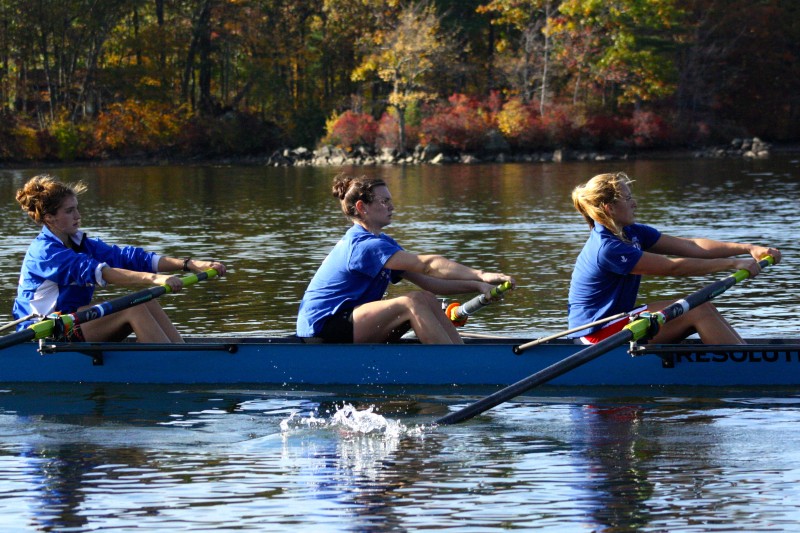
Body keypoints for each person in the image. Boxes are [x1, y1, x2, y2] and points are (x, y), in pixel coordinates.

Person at [296, 173, 516, 344]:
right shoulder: (363, 246)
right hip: (324, 329)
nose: (391, 206)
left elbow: (431, 282)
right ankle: (458, 365)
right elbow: (428, 266)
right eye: (384, 201)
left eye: (390, 200)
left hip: (350, 323)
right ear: (362, 208)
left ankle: (461, 356)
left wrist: (478, 285)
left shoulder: (384, 245)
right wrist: (480, 273)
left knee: (427, 298)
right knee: (412, 302)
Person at [568, 172, 780, 345]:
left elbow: (691, 246)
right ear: (610, 208)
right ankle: (745, 367)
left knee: (703, 307)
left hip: (619, 322)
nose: (635, 203)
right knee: (698, 310)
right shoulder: (607, 248)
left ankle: (744, 356)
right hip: (596, 335)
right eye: (628, 198)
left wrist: (748, 248)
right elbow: (672, 268)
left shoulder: (632, 233)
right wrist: (732, 263)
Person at [12, 174, 227, 343]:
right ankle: (172, 367)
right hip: (45, 333)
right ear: (49, 217)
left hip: (71, 321)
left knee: (146, 300)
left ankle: (181, 356)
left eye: (77, 208)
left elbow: (129, 258)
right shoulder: (45, 252)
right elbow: (101, 272)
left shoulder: (82, 243)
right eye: (69, 211)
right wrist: (156, 279)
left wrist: (188, 264)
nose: (78, 215)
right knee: (133, 307)